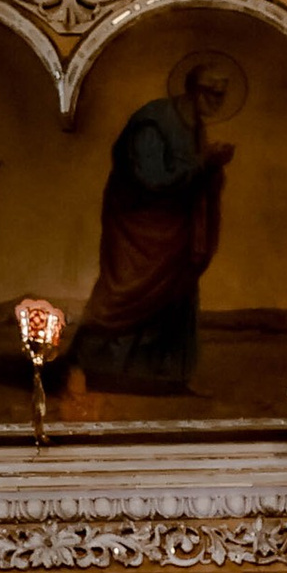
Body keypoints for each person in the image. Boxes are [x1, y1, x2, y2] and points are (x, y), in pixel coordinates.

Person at [64, 55, 240, 400]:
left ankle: (168, 377)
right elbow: (150, 178)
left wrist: (210, 166)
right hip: (140, 229)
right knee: (123, 296)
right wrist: (204, 163)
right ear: (193, 90)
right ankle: (83, 366)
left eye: (221, 96)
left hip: (176, 232)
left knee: (177, 297)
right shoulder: (154, 121)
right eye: (211, 93)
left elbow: (190, 174)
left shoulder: (194, 124)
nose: (216, 102)